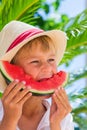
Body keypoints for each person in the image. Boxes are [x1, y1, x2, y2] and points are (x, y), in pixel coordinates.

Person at [0, 20, 74, 130]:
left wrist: (55, 123)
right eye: (35, 61)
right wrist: (9, 120)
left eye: (51, 59)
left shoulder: (63, 117)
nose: (48, 68)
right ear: (14, 69)